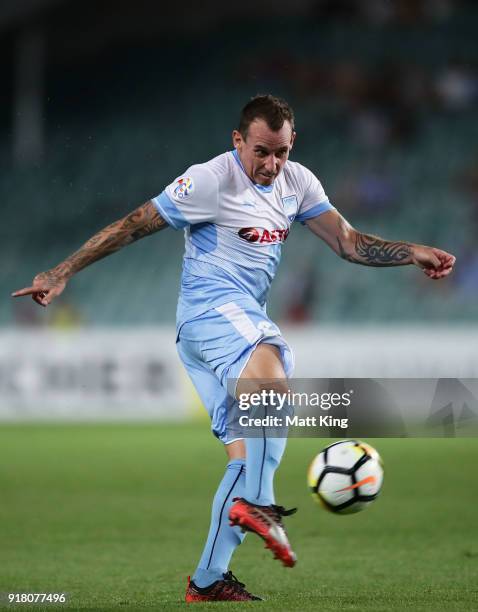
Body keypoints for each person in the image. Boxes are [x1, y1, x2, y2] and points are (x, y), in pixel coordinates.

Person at [12, 95, 456, 602]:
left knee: (244, 460)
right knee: (271, 363)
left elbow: (348, 242)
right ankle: (262, 504)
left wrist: (411, 252)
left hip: (219, 335)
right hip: (208, 314)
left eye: (282, 152)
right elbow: (135, 223)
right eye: (261, 151)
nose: (271, 165)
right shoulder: (209, 180)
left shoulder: (298, 182)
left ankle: (207, 580)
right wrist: (60, 272)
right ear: (237, 140)